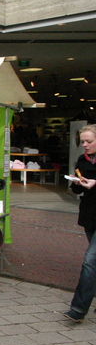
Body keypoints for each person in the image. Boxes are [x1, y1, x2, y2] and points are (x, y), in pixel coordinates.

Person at [63, 124, 96, 323]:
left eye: (89, 141)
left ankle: (78, 308)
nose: (84, 145)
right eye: (82, 141)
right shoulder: (81, 161)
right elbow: (77, 191)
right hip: (90, 217)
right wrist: (76, 183)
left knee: (90, 262)